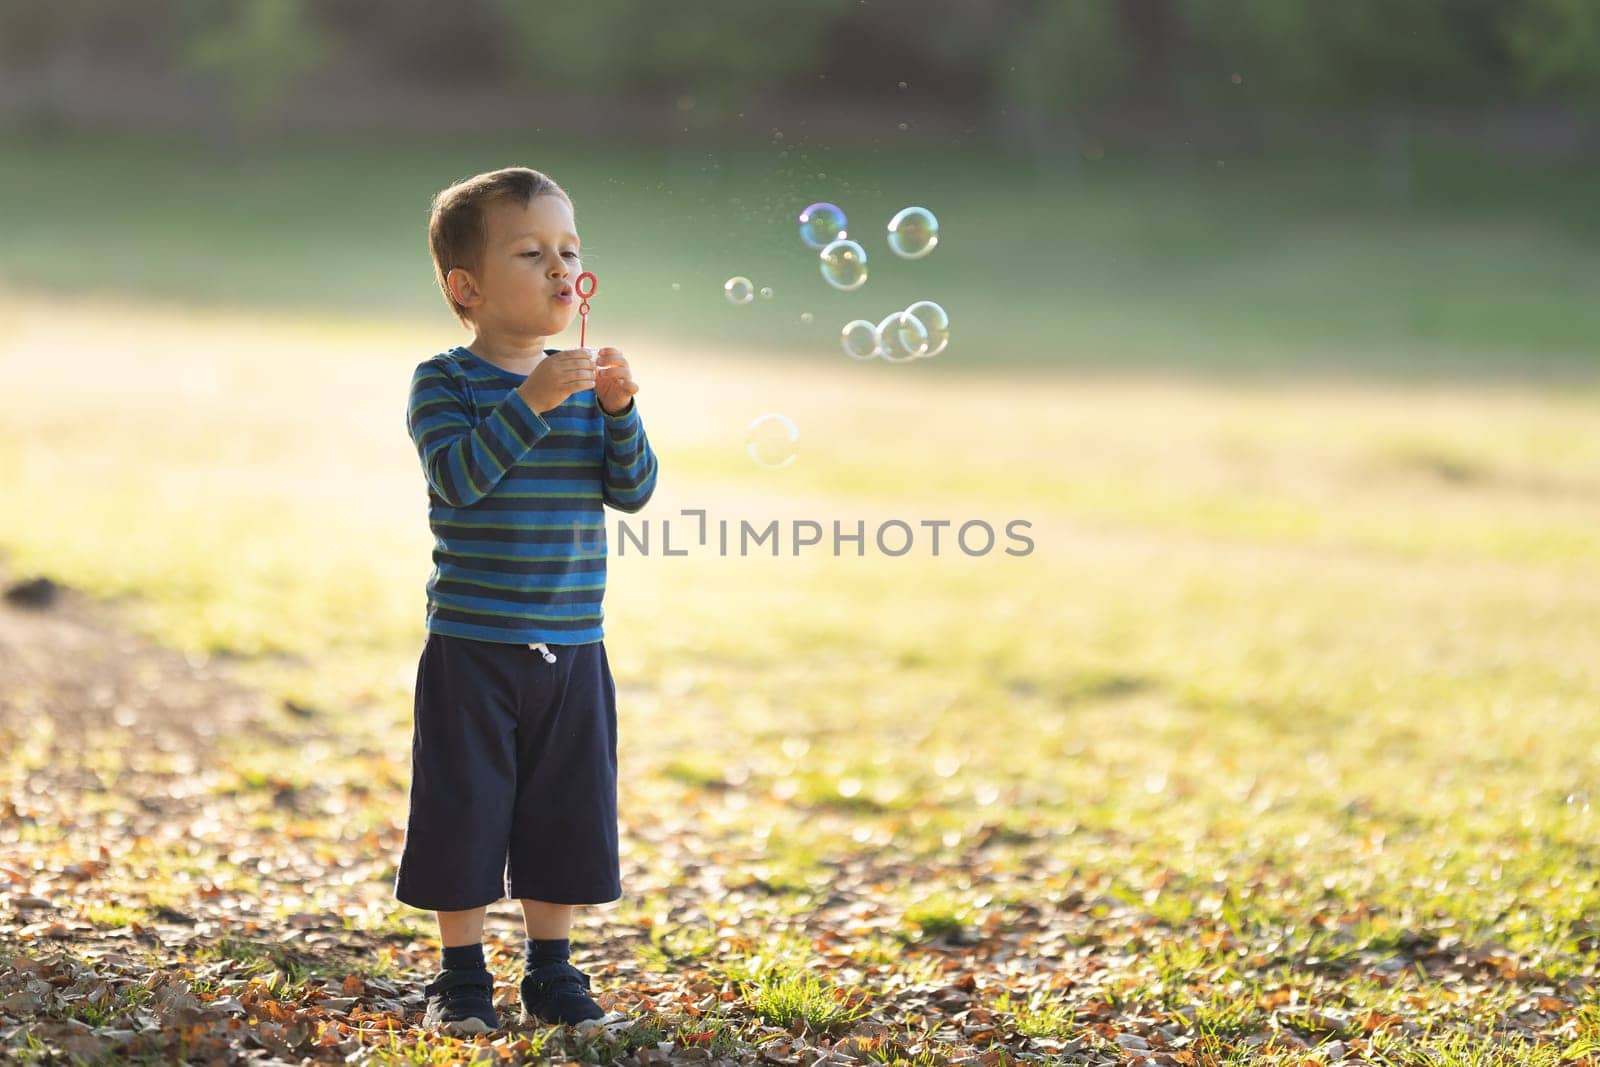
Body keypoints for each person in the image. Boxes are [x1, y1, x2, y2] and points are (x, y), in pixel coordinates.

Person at [397, 166, 657, 1034]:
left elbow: (633, 491)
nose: (561, 267)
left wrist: (620, 412)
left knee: (566, 806)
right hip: (474, 642)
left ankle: (553, 971)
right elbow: (459, 479)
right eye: (532, 251)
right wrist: (533, 398)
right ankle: (461, 974)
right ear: (465, 288)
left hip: (574, 642)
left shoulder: (581, 384)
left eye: (570, 249)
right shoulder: (446, 382)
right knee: (462, 805)